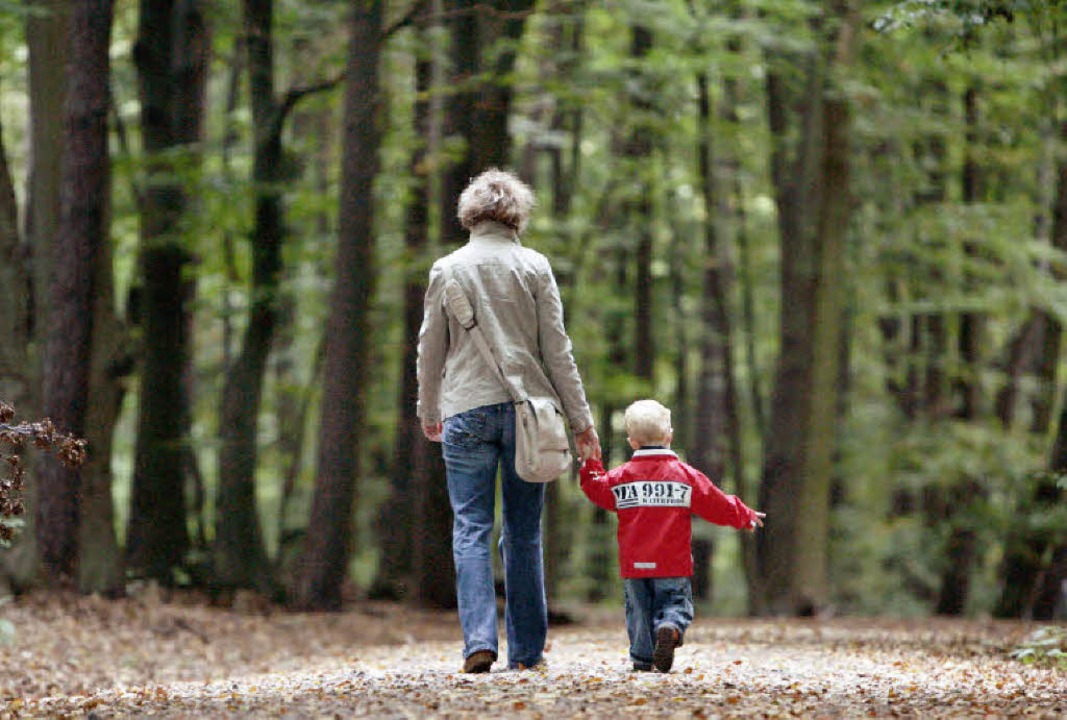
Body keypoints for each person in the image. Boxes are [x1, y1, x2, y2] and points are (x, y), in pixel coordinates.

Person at [417, 168, 601, 674]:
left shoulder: (447, 269)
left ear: (470, 213)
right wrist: (582, 421)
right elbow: (557, 351)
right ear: (517, 214)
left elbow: (430, 349)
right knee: (523, 531)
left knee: (470, 526)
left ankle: (478, 640)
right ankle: (525, 651)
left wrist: (428, 408)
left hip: (466, 409)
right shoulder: (535, 266)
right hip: (529, 414)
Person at [579, 399, 765, 673]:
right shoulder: (684, 476)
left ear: (632, 442)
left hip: (635, 563)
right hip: (672, 562)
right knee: (675, 603)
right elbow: (715, 503)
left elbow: (597, 489)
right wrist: (743, 514)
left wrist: (591, 463)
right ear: (669, 436)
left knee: (638, 611)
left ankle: (642, 659)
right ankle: (671, 626)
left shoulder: (622, 477)